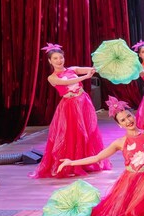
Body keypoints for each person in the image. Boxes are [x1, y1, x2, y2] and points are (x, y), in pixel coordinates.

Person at [30, 43, 107, 179]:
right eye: (55, 58)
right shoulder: (52, 78)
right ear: (50, 61)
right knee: (72, 134)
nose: (59, 60)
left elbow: (90, 69)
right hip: (70, 107)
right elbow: (66, 83)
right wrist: (85, 77)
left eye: (61, 57)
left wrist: (99, 67)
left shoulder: (72, 69)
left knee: (86, 131)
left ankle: (86, 162)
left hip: (83, 102)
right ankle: (71, 165)